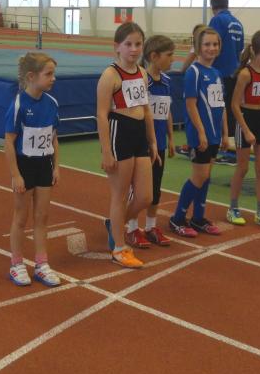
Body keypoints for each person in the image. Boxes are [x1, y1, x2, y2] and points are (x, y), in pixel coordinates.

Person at [97, 22, 159, 269]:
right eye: (128, 44)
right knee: (120, 195)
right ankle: (119, 249)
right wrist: (106, 151)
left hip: (139, 133)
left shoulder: (142, 73)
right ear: (117, 47)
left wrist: (152, 140)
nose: (134, 49)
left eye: (138, 44)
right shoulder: (110, 75)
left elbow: (146, 109)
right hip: (119, 131)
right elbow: (102, 115)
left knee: (145, 196)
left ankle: (114, 223)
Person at [4, 52, 61, 287]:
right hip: (24, 165)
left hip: (44, 164)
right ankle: (16, 263)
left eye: (53, 74)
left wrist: (56, 166)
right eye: (48, 74)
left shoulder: (52, 104)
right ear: (31, 76)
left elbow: (54, 137)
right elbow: (9, 141)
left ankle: (41, 264)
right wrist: (16, 174)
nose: (53, 78)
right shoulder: (19, 104)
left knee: (42, 217)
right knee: (21, 217)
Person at [169, 26, 228, 237]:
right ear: (198, 47)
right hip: (200, 134)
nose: (212, 48)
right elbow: (191, 105)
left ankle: (198, 218)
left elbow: (221, 105)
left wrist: (225, 133)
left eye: (215, 44)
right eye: (207, 44)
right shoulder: (194, 72)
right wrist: (201, 132)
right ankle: (177, 218)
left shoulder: (217, 73)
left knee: (206, 176)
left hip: (214, 134)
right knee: (198, 176)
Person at [125, 35, 175, 247]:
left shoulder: (166, 82)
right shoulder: (142, 81)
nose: (173, 59)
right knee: (138, 190)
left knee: (155, 188)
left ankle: (151, 226)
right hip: (141, 144)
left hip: (160, 143)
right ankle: (131, 227)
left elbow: (167, 111)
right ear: (154, 56)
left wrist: (171, 138)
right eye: (169, 55)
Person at [227, 30, 260, 230]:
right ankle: (233, 208)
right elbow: (234, 105)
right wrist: (246, 130)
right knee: (243, 167)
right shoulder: (245, 74)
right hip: (245, 119)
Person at [208, 0, 244, 140]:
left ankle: (218, 139)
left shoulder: (217, 20)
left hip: (220, 72)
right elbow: (240, 49)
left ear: (212, 6)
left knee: (217, 107)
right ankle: (230, 140)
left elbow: (211, 44)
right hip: (235, 72)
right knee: (231, 107)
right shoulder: (238, 23)